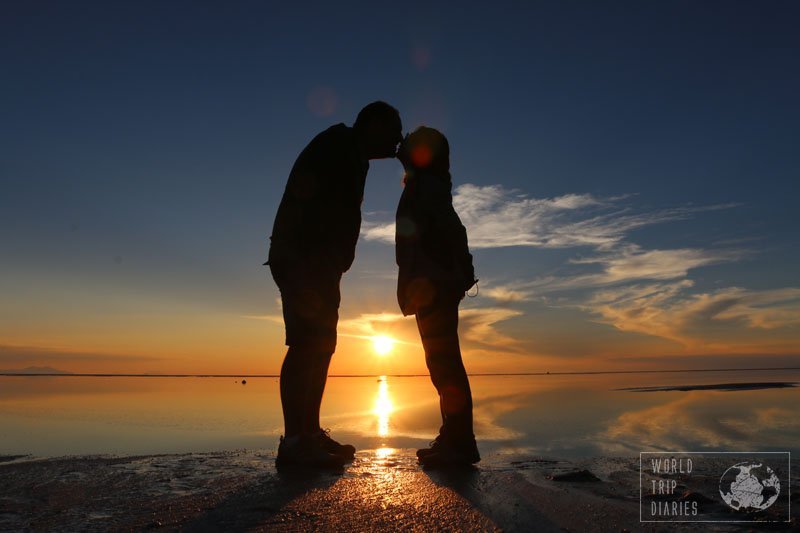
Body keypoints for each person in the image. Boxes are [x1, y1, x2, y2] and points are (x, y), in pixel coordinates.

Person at [268, 101, 403, 467]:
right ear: (373, 126)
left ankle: (309, 432)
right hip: (303, 259)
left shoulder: (354, 154)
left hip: (320, 264)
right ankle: (295, 442)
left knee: (322, 345)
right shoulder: (337, 146)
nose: (397, 141)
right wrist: (317, 258)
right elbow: (312, 200)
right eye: (393, 132)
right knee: (305, 344)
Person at [395, 126, 480, 467]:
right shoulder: (426, 183)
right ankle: (453, 436)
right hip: (434, 281)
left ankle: (460, 441)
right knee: (441, 362)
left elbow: (443, 231)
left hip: (433, 283)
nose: (404, 143)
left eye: (412, 142)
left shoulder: (426, 185)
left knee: (444, 362)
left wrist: (439, 275)